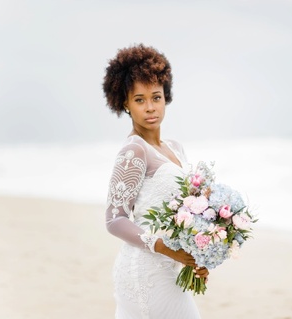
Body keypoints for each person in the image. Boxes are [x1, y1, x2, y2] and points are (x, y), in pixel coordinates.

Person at [102, 44, 208, 319]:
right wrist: (163, 247)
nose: (150, 108)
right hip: (145, 272)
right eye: (139, 99)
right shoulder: (134, 151)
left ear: (166, 98)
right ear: (124, 103)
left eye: (156, 97)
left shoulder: (176, 148)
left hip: (172, 269)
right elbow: (115, 219)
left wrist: (198, 257)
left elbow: (186, 214)